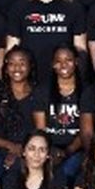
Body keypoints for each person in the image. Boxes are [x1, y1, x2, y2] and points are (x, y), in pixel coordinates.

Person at [6, 0, 87, 82]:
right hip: (29, 81)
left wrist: (79, 83)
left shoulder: (74, 8)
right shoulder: (19, 8)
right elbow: (11, 49)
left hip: (63, 81)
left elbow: (81, 50)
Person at [0, 46, 37, 180]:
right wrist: (11, 147)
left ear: (30, 66)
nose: (17, 68)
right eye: (12, 64)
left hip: (31, 149)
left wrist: (23, 151)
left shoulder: (38, 93)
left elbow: (40, 130)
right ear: (5, 68)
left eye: (22, 63)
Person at [33, 45, 85, 180]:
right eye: (58, 61)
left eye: (68, 60)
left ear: (76, 62)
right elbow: (41, 130)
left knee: (66, 170)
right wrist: (50, 151)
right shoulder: (42, 91)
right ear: (52, 64)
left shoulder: (86, 91)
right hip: (49, 148)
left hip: (76, 149)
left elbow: (86, 131)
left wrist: (67, 151)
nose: (63, 65)